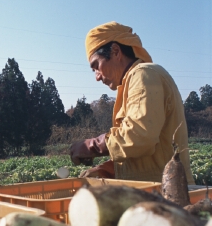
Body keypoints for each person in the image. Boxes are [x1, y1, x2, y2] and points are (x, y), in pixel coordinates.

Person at [69, 21, 194, 184]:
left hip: (168, 194)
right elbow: (146, 152)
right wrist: (108, 169)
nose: (97, 76)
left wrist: (93, 145)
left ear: (115, 51)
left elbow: (139, 135)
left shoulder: (143, 75)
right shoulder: (132, 83)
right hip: (152, 191)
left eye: (96, 66)